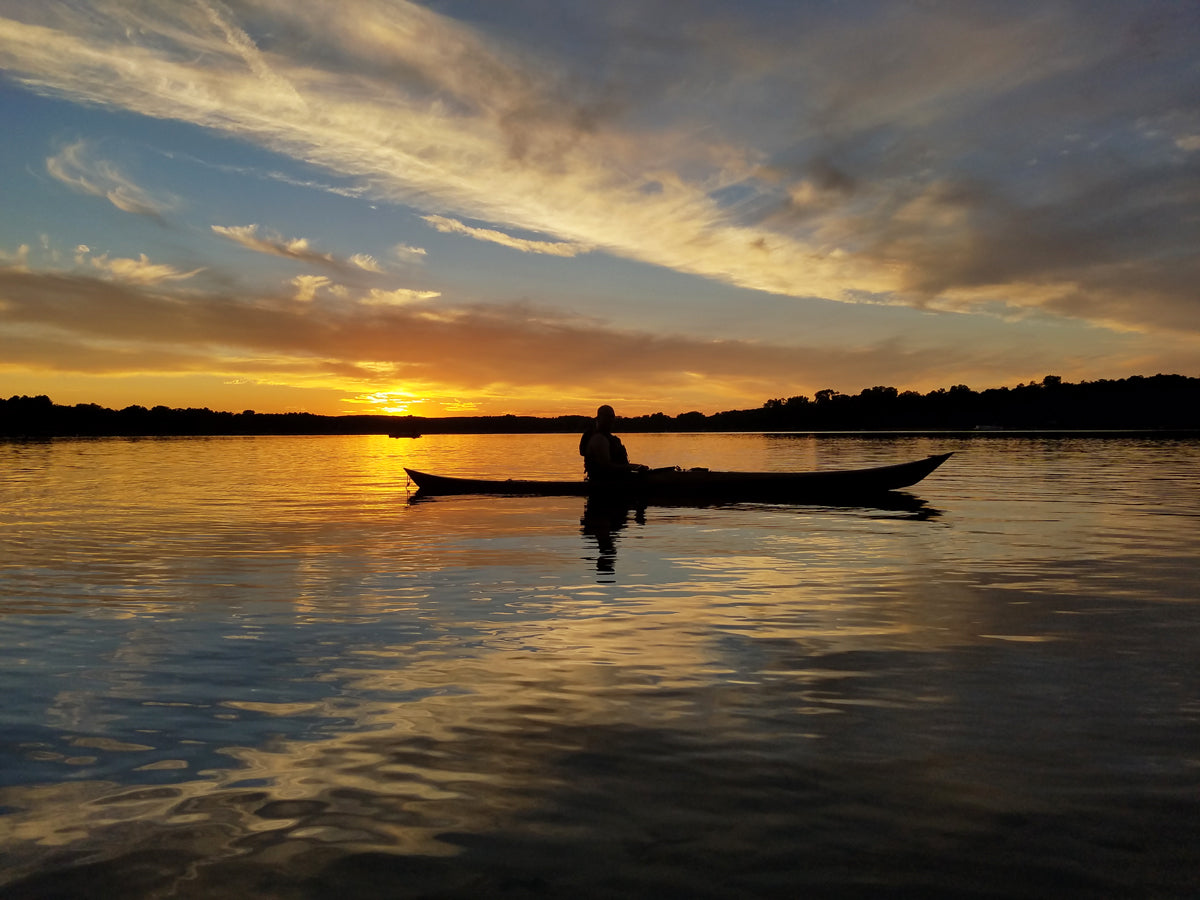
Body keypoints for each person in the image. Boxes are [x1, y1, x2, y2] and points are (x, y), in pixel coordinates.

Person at [579, 405, 647, 481]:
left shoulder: (611, 438)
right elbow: (607, 467)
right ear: (598, 418)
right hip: (605, 483)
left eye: (612, 417)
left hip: (619, 479)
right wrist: (634, 467)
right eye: (607, 417)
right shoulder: (599, 439)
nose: (610, 420)